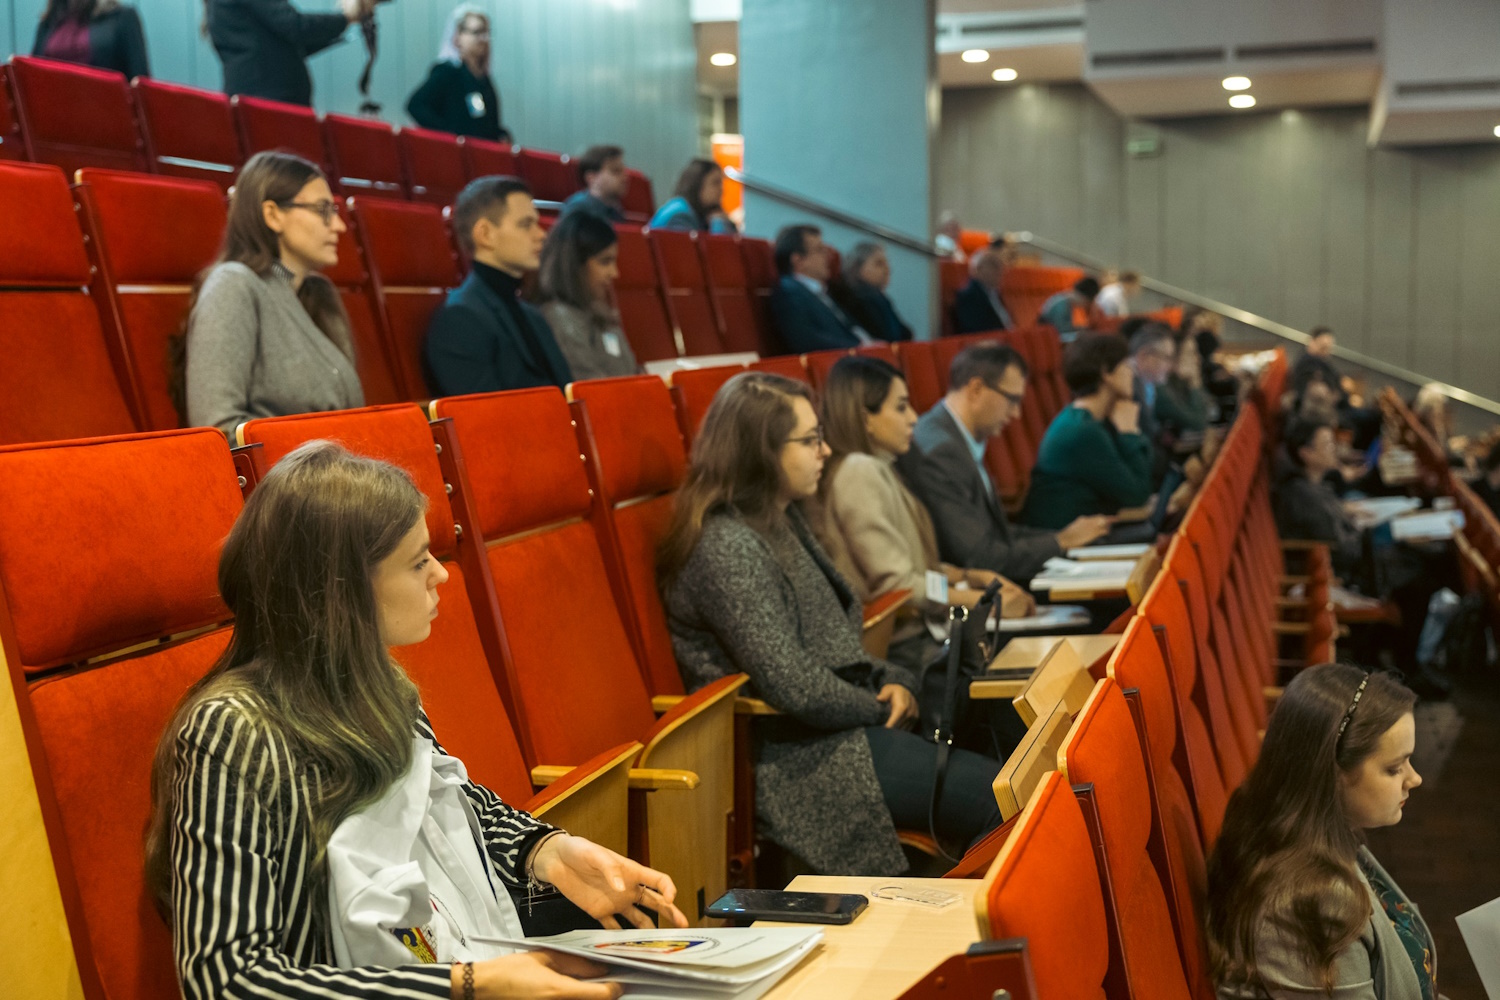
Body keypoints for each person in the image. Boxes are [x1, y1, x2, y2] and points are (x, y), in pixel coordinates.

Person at [145, 441, 687, 1000]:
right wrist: (463, 984)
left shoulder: (381, 686)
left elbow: (453, 804)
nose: (441, 576)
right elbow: (226, 979)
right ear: (343, 590)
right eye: (417, 561)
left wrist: (544, 851)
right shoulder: (230, 732)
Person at [658, 372, 1004, 875]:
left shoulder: (780, 518)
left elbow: (833, 647)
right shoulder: (726, 545)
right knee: (1001, 797)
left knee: (1009, 756)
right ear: (760, 450)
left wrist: (893, 681)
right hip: (798, 759)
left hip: (834, 731)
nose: (824, 451)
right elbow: (791, 683)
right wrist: (875, 703)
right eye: (809, 440)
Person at [1205, 664, 1433, 1000]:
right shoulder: (1311, 903)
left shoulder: (1309, 832)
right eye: (1394, 767)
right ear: (1333, 772)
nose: (1415, 779)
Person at [809, 356, 1033, 676]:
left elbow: (911, 569)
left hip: (922, 639)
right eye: (900, 407)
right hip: (906, 651)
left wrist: (964, 576)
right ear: (865, 418)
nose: (914, 418)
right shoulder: (859, 472)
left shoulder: (878, 468)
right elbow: (898, 586)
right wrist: (980, 601)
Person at [182, 151, 364, 437]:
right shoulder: (233, 285)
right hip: (283, 480)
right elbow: (216, 428)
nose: (339, 226)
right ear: (273, 215)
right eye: (322, 210)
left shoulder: (317, 294)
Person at [897, 343, 1110, 584]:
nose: (1016, 414)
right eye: (1012, 400)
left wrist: (1063, 537)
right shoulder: (941, 451)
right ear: (976, 389)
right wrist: (1061, 542)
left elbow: (996, 535)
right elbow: (979, 556)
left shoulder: (955, 437)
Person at [424, 176, 572, 396]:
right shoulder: (460, 319)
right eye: (525, 224)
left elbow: (568, 396)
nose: (541, 234)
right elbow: (487, 420)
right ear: (485, 234)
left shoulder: (533, 317)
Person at [1021, 335, 1152, 530]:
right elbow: (1136, 496)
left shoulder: (1090, 420)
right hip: (1065, 546)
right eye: (1126, 365)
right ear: (1106, 373)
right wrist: (1129, 434)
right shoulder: (1083, 432)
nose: (1132, 373)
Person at [206, 0, 374, 107]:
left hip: (247, 97)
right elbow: (294, 25)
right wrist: (345, 18)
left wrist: (344, 21)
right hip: (274, 102)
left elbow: (279, 41)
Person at [535, 211, 640, 381]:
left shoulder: (599, 310)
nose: (615, 273)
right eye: (604, 261)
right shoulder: (559, 316)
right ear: (574, 264)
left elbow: (631, 373)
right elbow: (590, 388)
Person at [406, 4, 511, 143]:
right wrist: (451, 136)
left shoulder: (484, 81)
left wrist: (501, 135)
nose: (483, 39)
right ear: (457, 37)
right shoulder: (448, 73)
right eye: (477, 32)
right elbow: (416, 106)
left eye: (486, 33)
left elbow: (485, 124)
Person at [1273, 416, 1363, 577]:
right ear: (1306, 453)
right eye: (1328, 445)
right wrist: (1364, 533)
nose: (1334, 449)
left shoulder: (1315, 485)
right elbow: (1342, 551)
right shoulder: (1305, 496)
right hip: (1332, 574)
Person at [769, 224, 868, 353]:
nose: (828, 256)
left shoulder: (824, 290)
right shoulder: (789, 292)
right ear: (798, 260)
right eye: (820, 250)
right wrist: (859, 348)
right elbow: (807, 341)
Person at [32, 0, 148, 79]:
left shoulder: (122, 18)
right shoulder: (47, 24)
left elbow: (140, 86)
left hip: (104, 110)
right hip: (53, 111)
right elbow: (32, 78)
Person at [839, 241, 913, 343]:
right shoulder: (862, 298)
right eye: (879, 264)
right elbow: (887, 336)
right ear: (857, 267)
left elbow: (905, 333)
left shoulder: (879, 297)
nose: (887, 269)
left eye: (887, 263)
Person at [649, 158, 737, 234]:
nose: (721, 189)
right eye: (715, 183)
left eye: (721, 183)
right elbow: (719, 250)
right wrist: (718, 222)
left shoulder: (700, 213)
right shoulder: (680, 215)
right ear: (697, 184)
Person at [1155, 330, 1213, 443]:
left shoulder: (1178, 383)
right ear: (1173, 358)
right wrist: (1195, 383)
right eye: (1190, 354)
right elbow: (1198, 423)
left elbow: (1211, 408)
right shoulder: (1162, 388)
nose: (1198, 359)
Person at [1129, 323, 1176, 455]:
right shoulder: (1128, 387)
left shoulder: (1147, 383)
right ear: (1144, 356)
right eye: (1166, 358)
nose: (1170, 366)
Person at [951, 247, 1012, 334]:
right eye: (993, 265)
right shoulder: (968, 296)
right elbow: (975, 331)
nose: (1000, 270)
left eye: (1000, 266)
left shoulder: (994, 293)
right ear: (977, 269)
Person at [560, 145, 628, 224]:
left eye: (624, 171)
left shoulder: (615, 210)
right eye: (615, 171)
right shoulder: (578, 209)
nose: (624, 177)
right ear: (591, 178)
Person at [1038, 276, 1100, 342]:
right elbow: (1062, 331)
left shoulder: (1064, 300)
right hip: (1048, 338)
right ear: (1082, 297)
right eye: (1087, 301)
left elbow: (1067, 327)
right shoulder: (1061, 304)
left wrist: (1083, 328)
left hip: (1054, 335)